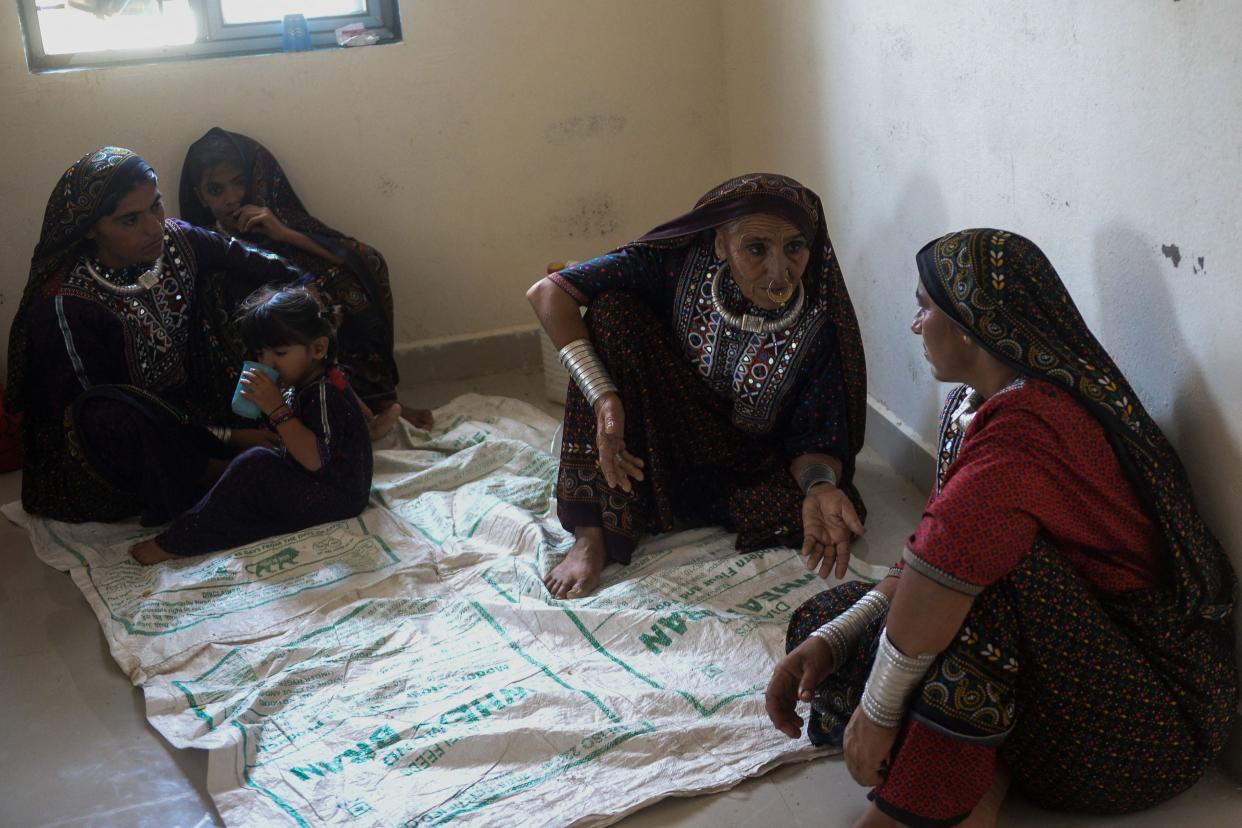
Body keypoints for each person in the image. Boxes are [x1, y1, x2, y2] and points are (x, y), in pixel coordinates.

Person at [766, 229, 1238, 827]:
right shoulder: (981, 402)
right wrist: (836, 637)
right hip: (1080, 673)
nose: (915, 325)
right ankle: (986, 772)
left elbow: (945, 575)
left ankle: (930, 806)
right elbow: (927, 552)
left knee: (984, 585)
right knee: (826, 625)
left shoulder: (1030, 427)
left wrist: (880, 712)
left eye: (924, 307)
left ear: (970, 322)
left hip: (1151, 728)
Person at [526, 173, 868, 599]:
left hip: (750, 466)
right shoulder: (675, 264)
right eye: (756, 248)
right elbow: (548, 293)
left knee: (829, 512)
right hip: (663, 436)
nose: (779, 271)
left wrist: (819, 487)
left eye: (794, 247)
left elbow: (816, 439)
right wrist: (605, 401)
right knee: (609, 313)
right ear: (721, 244)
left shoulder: (819, 327)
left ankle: (670, 504)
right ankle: (591, 534)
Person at [5, 147, 309, 524]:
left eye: (156, 206)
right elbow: (94, 412)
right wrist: (227, 438)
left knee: (247, 296)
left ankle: (269, 428)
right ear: (89, 229)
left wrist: (303, 303)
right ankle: (209, 469)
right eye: (129, 220)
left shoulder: (177, 240)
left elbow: (267, 267)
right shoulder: (66, 304)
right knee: (109, 418)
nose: (153, 227)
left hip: (186, 406)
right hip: (111, 442)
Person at [179, 127, 432, 437]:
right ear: (199, 196)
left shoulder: (270, 215)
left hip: (300, 291)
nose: (232, 199)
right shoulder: (206, 240)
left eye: (238, 183)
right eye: (216, 190)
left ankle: (371, 403)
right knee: (285, 317)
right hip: (265, 323)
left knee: (356, 276)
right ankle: (321, 418)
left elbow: (346, 254)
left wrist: (282, 232)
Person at [131, 287, 373, 563]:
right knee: (239, 473)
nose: (266, 362)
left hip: (337, 497)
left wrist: (277, 410)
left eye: (279, 353)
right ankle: (198, 516)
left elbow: (316, 460)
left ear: (318, 349)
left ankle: (180, 540)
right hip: (315, 485)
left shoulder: (323, 393)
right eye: (260, 354)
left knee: (254, 464)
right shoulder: (309, 381)